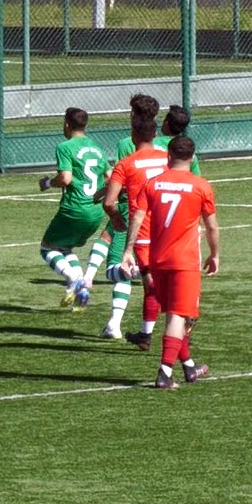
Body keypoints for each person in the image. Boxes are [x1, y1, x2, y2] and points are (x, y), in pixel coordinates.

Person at [121, 136, 220, 389]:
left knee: (174, 314)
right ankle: (164, 373)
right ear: (193, 157)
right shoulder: (201, 186)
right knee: (179, 315)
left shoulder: (153, 184)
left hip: (157, 258)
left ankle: (188, 367)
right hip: (184, 261)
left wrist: (128, 250)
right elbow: (211, 227)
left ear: (168, 156)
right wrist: (214, 254)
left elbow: (137, 217)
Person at [82, 93, 160, 339]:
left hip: (131, 210)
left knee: (119, 268)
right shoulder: (167, 146)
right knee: (108, 239)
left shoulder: (127, 144)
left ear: (134, 116)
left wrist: (106, 195)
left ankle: (114, 323)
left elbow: (123, 179)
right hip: (163, 215)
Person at [101, 115, 168, 344]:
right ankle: (146, 334)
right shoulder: (169, 158)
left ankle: (180, 316)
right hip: (171, 227)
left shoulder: (126, 164)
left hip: (144, 231)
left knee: (151, 283)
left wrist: (116, 217)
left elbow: (109, 202)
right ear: (155, 135)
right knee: (163, 278)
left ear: (133, 136)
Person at [38, 107, 108, 309]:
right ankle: (82, 287)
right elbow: (110, 177)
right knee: (65, 247)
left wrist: (49, 184)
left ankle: (73, 279)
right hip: (95, 212)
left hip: (74, 209)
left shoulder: (65, 147)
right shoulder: (96, 148)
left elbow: (65, 178)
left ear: (67, 124)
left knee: (47, 247)